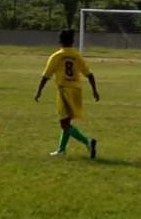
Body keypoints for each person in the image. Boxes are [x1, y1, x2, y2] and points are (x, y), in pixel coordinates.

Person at [34, 29, 99, 158]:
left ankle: (88, 142)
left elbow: (46, 76)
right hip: (76, 91)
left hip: (64, 90)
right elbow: (90, 75)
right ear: (73, 41)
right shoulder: (76, 56)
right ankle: (61, 150)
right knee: (66, 122)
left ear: (60, 40)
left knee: (64, 123)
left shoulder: (56, 56)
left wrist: (39, 91)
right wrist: (94, 91)